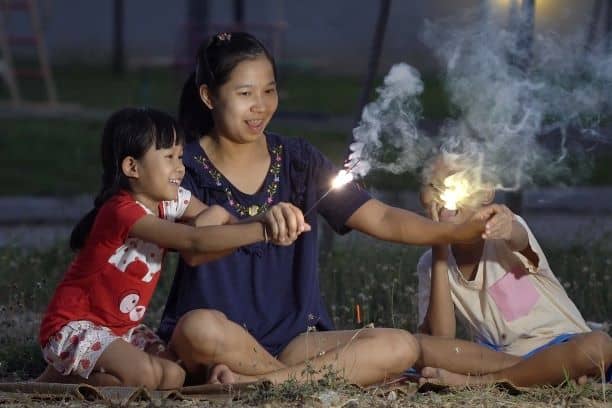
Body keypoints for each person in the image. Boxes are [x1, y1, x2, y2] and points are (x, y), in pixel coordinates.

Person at [158, 32, 505, 387]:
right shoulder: (181, 166)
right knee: (196, 328)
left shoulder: (298, 160)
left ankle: (261, 382)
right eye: (245, 94)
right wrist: (259, 225)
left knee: (399, 345)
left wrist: (454, 231)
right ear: (208, 96)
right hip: (220, 336)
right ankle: (289, 381)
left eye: (270, 90)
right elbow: (192, 250)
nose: (260, 106)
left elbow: (382, 218)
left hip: (297, 342)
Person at [36, 107, 307, 390]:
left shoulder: (171, 202)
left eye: (180, 156)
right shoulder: (121, 211)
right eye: (169, 157)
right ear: (132, 167)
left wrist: (267, 220)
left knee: (175, 376)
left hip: (123, 331)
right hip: (76, 325)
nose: (180, 167)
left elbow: (225, 227)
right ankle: (59, 378)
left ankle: (84, 374)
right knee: (146, 376)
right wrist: (262, 229)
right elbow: (194, 241)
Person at [414, 152, 612, 387]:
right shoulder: (430, 264)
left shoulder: (502, 231)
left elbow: (519, 238)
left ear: (486, 192)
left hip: (561, 344)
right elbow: (441, 338)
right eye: (432, 184)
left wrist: (509, 228)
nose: (442, 191)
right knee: (418, 346)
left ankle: (482, 382)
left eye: (455, 181)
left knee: (598, 346)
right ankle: (540, 373)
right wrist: (439, 247)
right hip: (499, 357)